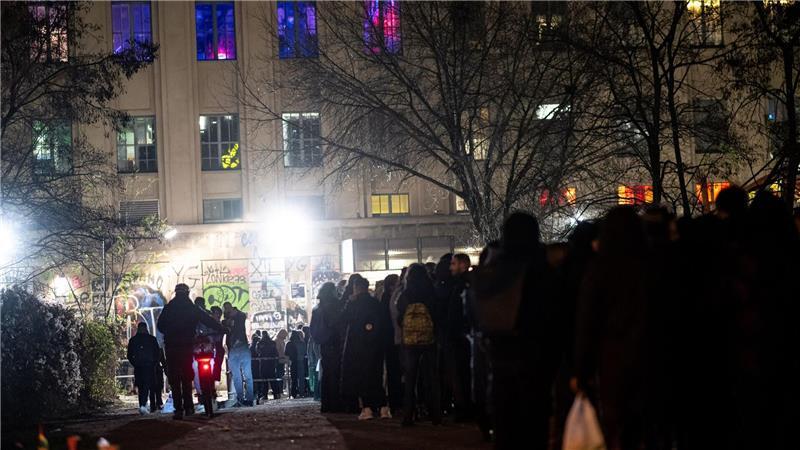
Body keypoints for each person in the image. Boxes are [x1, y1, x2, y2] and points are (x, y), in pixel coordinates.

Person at [157, 283, 224, 420]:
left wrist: (171, 335)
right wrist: (222, 328)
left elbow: (160, 326)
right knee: (187, 377)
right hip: (187, 346)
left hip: (172, 346)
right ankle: (189, 407)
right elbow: (207, 320)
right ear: (187, 293)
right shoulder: (191, 308)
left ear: (176, 293)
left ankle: (178, 409)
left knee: (175, 379)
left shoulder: (169, 308)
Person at [398, 263, 441, 426]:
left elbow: (399, 315)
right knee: (432, 377)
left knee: (410, 379)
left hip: (410, 341)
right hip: (429, 339)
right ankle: (435, 415)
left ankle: (408, 416)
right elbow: (437, 313)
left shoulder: (405, 294)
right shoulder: (431, 292)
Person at [341, 276, 388, 420]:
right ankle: (383, 407)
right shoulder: (375, 303)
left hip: (358, 346)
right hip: (376, 345)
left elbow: (344, 319)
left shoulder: (354, 304)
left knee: (362, 378)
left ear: (356, 288)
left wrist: (349, 302)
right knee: (376, 376)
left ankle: (367, 408)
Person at [443, 253, 472, 422]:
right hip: (462, 336)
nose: (450, 267)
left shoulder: (461, 285)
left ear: (462, 265)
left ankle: (464, 410)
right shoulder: (464, 284)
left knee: (461, 375)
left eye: (453, 264)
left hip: (459, 337)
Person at [310, 282, 344, 412]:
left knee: (326, 374)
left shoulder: (317, 309)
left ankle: (326, 403)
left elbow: (313, 330)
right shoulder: (333, 306)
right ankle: (335, 403)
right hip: (334, 342)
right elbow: (336, 323)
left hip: (323, 343)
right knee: (335, 374)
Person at [380, 273, 403, 414]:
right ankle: (398, 402)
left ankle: (395, 402)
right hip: (395, 339)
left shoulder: (384, 299)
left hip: (388, 340)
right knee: (397, 372)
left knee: (393, 372)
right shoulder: (395, 298)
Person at [127, 322, 161, 415]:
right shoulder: (152, 339)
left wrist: (135, 363)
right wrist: (154, 363)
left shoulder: (133, 340)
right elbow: (157, 353)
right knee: (148, 385)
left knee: (141, 386)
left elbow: (129, 355)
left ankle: (142, 405)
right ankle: (147, 405)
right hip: (149, 365)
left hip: (139, 366)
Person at [223, 302, 254, 407]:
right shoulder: (228, 320)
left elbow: (241, 316)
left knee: (242, 376)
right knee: (241, 376)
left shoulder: (239, 316)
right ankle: (244, 398)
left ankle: (246, 398)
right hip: (239, 348)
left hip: (239, 348)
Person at [258, 331, 280, 401]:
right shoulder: (272, 343)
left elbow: (257, 352)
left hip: (263, 364)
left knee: (264, 381)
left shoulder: (260, 343)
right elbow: (276, 353)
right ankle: (276, 394)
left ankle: (265, 395)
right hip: (271, 364)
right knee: (273, 379)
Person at [285, 330, 308, 398]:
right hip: (301, 361)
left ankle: (293, 393)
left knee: (293, 378)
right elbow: (304, 352)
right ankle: (302, 392)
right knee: (301, 378)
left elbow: (286, 353)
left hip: (293, 362)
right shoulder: (302, 343)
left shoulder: (289, 343)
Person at [209, 306, 225, 383]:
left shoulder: (221, 325)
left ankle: (214, 380)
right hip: (206, 348)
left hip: (217, 348)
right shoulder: (206, 323)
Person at [306, 324, 321, 401]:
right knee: (318, 379)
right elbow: (312, 351)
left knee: (317, 379)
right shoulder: (314, 339)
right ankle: (317, 395)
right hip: (317, 361)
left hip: (316, 361)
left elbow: (309, 351)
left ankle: (317, 395)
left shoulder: (312, 339)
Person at [275, 329, 289, 399]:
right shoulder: (278, 341)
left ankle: (281, 391)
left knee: (281, 375)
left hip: (281, 360)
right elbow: (278, 351)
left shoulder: (281, 341)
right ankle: (279, 391)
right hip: (279, 361)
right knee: (279, 375)